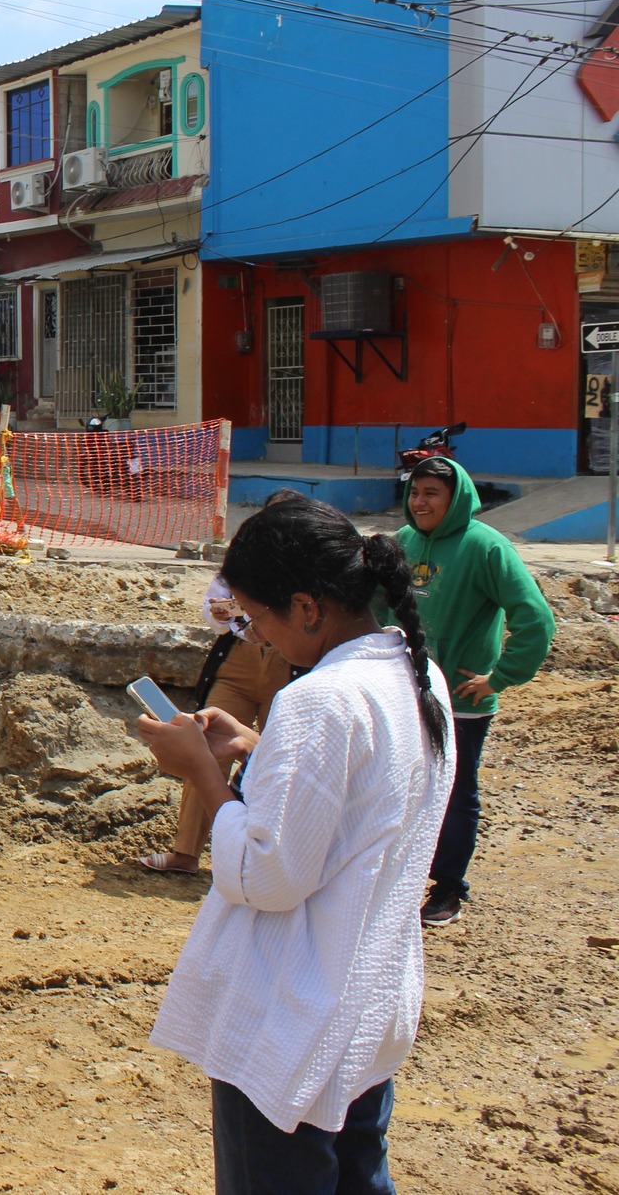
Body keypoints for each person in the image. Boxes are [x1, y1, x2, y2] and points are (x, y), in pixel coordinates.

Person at [139, 495, 453, 1194]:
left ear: (307, 607)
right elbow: (365, 798)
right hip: (365, 997)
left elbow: (266, 874)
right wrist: (260, 747)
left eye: (256, 618)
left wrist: (202, 773)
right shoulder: (415, 672)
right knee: (359, 1172)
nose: (255, 638)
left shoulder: (319, 700)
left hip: (291, 1011)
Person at [397, 456, 555, 927]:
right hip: (405, 691)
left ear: (457, 498)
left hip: (461, 701)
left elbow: (536, 619)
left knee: (454, 790)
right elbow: (374, 606)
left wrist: (499, 677)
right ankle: (399, 881)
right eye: (415, 492)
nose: (420, 502)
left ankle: (448, 888)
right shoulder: (403, 542)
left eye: (432, 493)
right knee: (401, 787)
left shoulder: (486, 547)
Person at [138, 575, 294, 876]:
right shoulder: (240, 559)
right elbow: (212, 612)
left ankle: (274, 855)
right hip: (239, 655)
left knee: (280, 757)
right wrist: (222, 613)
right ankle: (186, 852)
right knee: (206, 743)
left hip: (287, 659)